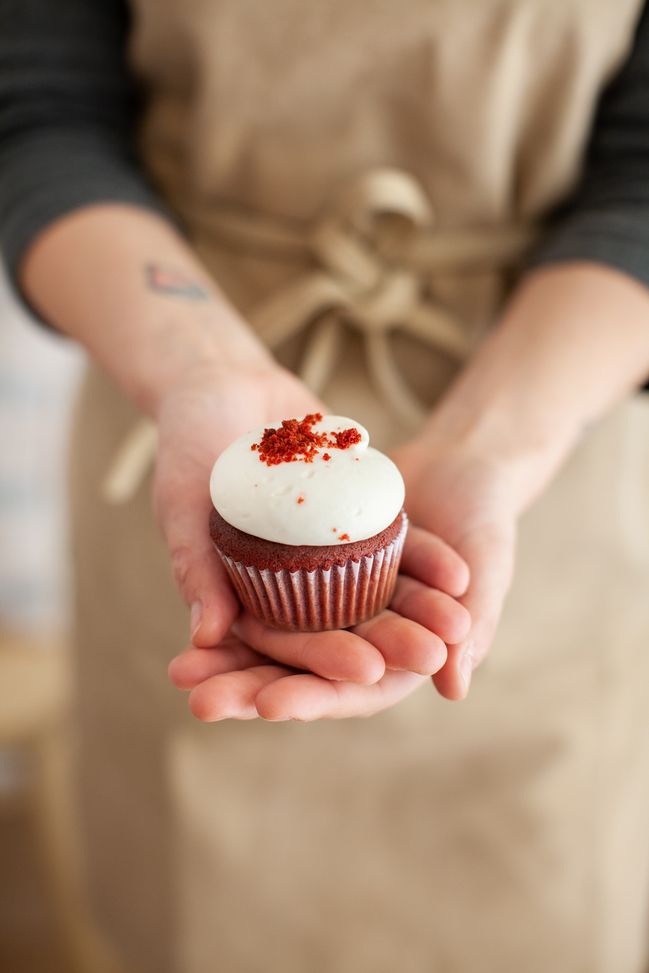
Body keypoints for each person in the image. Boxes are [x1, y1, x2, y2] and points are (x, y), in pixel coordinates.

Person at [2, 1, 649, 970]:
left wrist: (495, 440)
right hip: (176, 381)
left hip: (549, 422)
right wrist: (198, 367)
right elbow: (38, 109)